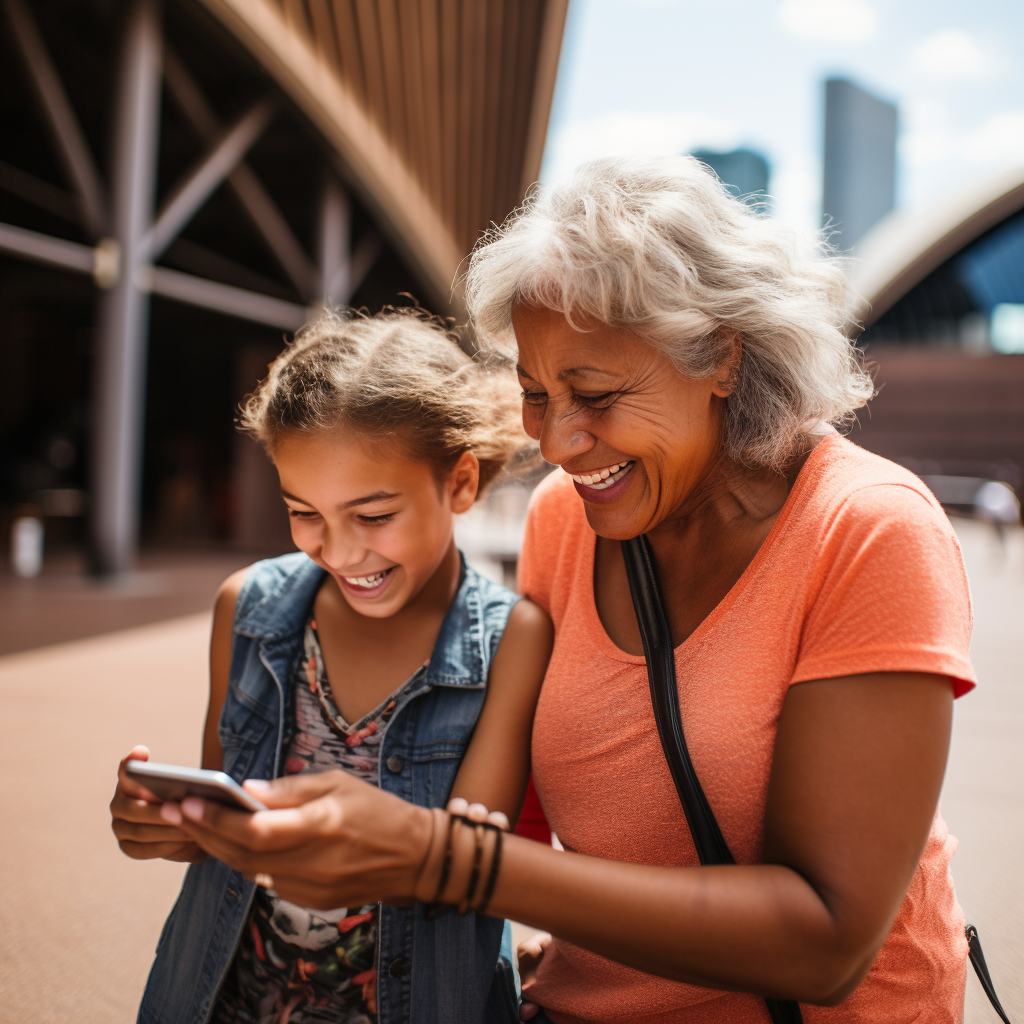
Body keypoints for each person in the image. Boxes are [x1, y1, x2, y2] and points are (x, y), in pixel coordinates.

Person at [157, 157, 977, 1024]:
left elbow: (827, 941)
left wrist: (443, 860)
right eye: (535, 394)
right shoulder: (565, 519)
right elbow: (524, 823)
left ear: (723, 360)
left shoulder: (870, 530)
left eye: (594, 394)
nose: (558, 442)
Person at [108, 306, 553, 1024]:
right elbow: (223, 809)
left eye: (374, 515)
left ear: (461, 482)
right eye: (304, 511)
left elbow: (472, 869)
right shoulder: (247, 608)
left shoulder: (513, 640)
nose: (340, 552)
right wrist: (170, 827)